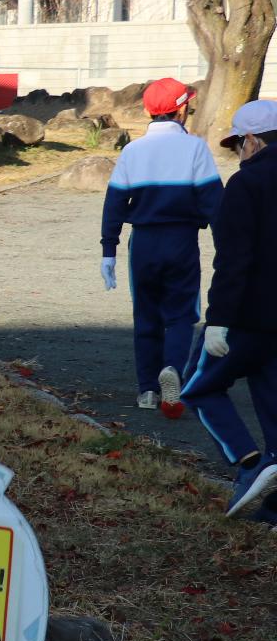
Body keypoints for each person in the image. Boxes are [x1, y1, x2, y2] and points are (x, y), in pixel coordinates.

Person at [100, 78, 223, 418]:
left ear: (147, 111)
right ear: (182, 109)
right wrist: (228, 246)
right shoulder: (195, 148)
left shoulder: (132, 151)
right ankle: (172, 369)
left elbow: (113, 204)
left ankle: (146, 390)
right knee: (182, 314)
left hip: (143, 242)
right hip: (181, 240)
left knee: (146, 315)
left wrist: (108, 250)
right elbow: (214, 202)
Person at [181, 99, 277, 523]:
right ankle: (273, 507)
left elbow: (234, 259)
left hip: (248, 318)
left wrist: (218, 320)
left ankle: (248, 461)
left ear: (253, 140)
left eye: (239, 143)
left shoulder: (246, 184)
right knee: (273, 402)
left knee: (198, 389)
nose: (238, 152)